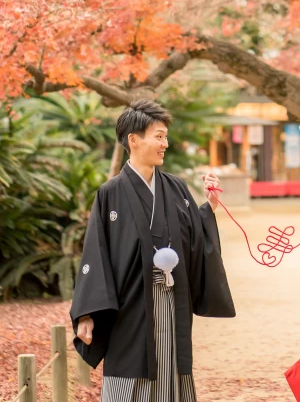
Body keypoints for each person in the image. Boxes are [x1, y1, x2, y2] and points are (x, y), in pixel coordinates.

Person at [70, 98, 235, 402]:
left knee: (171, 370)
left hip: (171, 300)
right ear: (133, 140)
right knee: (129, 372)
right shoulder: (110, 194)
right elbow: (96, 253)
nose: (165, 144)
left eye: (165, 137)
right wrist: (87, 313)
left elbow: (194, 237)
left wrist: (209, 207)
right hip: (130, 306)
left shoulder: (176, 188)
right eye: (159, 136)